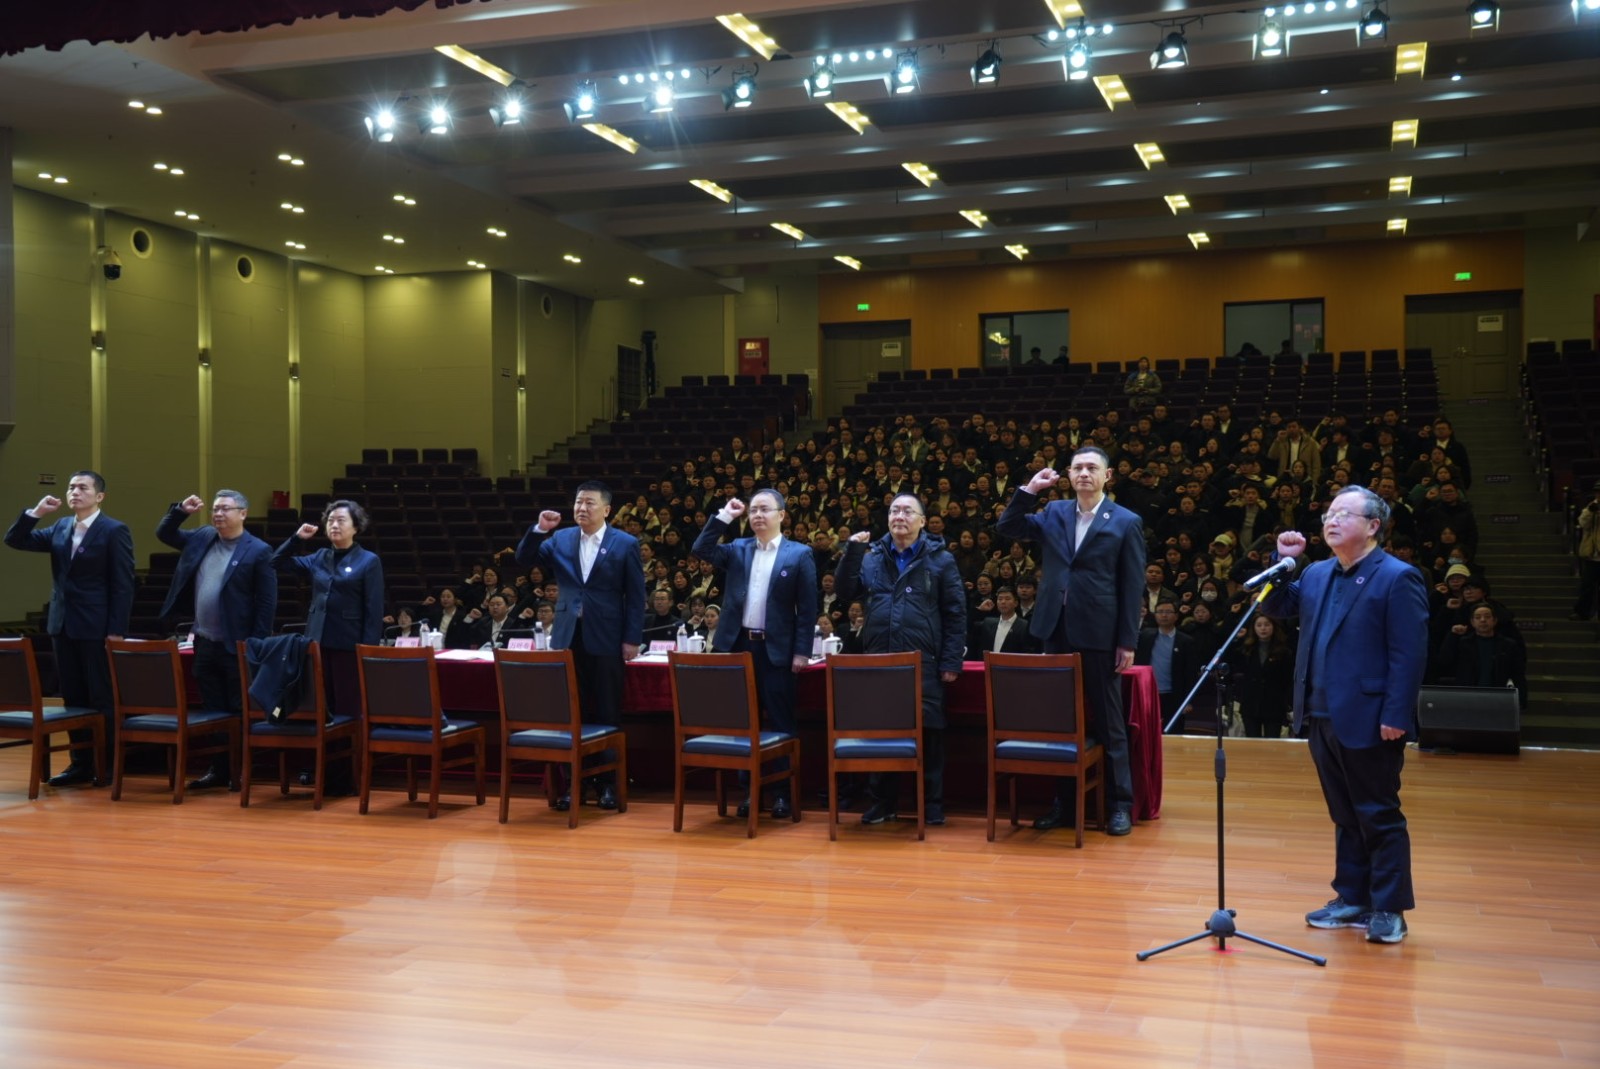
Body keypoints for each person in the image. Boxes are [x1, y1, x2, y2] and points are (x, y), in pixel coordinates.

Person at [1263, 485, 1429, 945]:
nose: (1330, 521)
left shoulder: (1398, 577)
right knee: (1344, 812)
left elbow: (1409, 654)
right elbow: (1277, 606)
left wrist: (1397, 713)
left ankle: (1389, 907)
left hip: (1372, 715)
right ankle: (1353, 896)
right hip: (1320, 712)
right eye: (1328, 515)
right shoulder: (1316, 573)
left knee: (1378, 812)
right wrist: (1284, 561)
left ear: (1373, 526)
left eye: (1343, 514)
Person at [997, 446, 1145, 836]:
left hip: (1100, 633)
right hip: (1054, 628)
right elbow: (1008, 526)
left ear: (1107, 476)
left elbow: (1132, 587)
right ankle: (1064, 804)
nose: (1083, 473)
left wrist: (1127, 641)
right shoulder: (1055, 511)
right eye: (1077, 467)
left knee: (1110, 721)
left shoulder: (1126, 521)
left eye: (1092, 467)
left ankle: (1119, 805)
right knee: (1060, 721)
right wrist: (1029, 490)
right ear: (1068, 474)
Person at [835, 493, 967, 826]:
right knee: (881, 732)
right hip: (880, 662)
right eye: (894, 510)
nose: (899, 516)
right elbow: (845, 592)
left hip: (925, 661)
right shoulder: (872, 558)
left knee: (930, 733)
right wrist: (853, 551)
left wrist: (951, 662)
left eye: (908, 511)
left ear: (922, 521)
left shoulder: (941, 560)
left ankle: (931, 804)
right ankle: (883, 802)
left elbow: (955, 613)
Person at [515, 481, 644, 812]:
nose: (582, 508)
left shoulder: (625, 543)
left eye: (589, 503)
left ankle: (608, 784)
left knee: (607, 711)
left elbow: (635, 595)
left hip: (607, 637)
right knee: (573, 713)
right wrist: (539, 530)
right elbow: (524, 558)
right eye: (578, 502)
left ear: (606, 509)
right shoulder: (560, 538)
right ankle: (576, 783)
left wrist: (631, 638)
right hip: (567, 636)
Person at [5, 471, 135, 787]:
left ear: (99, 496)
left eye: (83, 488)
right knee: (73, 697)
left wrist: (116, 629)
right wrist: (36, 513)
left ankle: (106, 766)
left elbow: (123, 584)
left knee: (101, 696)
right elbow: (15, 540)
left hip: (97, 626)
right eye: (71, 487)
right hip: (62, 624)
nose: (75, 492)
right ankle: (80, 763)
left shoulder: (114, 530)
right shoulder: (61, 526)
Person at [693, 489, 817, 820]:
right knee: (743, 723)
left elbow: (807, 609)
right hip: (738, 647)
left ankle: (782, 793)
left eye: (765, 509)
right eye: (754, 510)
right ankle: (750, 791)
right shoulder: (738, 548)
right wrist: (725, 515)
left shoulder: (799, 554)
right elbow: (701, 548)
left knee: (780, 722)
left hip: (777, 651)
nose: (758, 515)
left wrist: (802, 651)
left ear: (782, 515)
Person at [156, 490, 276, 790]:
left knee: (238, 708)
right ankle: (219, 769)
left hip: (237, 644)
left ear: (243, 513)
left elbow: (266, 602)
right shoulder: (202, 537)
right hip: (204, 641)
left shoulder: (258, 550)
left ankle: (241, 769)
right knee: (213, 709)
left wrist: (256, 644)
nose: (218, 514)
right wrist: (181, 511)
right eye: (215, 509)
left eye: (225, 509)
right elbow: (164, 533)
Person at [274, 499, 386, 727]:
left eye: (341, 520)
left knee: (348, 706)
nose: (334, 525)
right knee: (321, 705)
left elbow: (373, 609)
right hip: (317, 641)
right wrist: (297, 538)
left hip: (349, 644)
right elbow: (276, 562)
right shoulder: (319, 557)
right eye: (331, 521)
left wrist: (368, 650)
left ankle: (347, 748)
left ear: (356, 527)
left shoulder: (368, 561)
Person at [1435, 603, 1528, 709]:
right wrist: (1452, 636)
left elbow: (1518, 674)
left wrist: (1521, 700)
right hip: (1467, 698)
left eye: (1487, 617)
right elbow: (1444, 660)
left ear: (1494, 620)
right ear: (1472, 622)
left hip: (1497, 698)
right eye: (1478, 617)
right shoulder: (1463, 643)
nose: (1483, 620)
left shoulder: (1508, 645)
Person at [1135, 599, 1199, 732]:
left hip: (1174, 695)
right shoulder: (1145, 636)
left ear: (1176, 616)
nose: (1164, 615)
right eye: (1160, 612)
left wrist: (1188, 700)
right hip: (1148, 693)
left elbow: (1190, 672)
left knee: (1173, 732)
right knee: (1146, 731)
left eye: (1168, 612)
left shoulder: (1186, 641)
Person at [1229, 615, 1294, 739]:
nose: (1263, 628)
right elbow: (1234, 663)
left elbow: (1288, 679)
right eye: (1259, 625)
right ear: (1253, 628)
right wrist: (1237, 640)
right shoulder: (1246, 648)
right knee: (1252, 743)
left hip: (1274, 704)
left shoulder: (1284, 651)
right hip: (1250, 703)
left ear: (1273, 627)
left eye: (1267, 625)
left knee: (1272, 742)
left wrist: (1287, 702)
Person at [974, 585, 1041, 655]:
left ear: (1016, 603)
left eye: (1007, 599)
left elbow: (1029, 653)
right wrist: (979, 610)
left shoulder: (1025, 626)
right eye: (1000, 599)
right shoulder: (988, 623)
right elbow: (971, 632)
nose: (1003, 602)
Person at [1573, 484, 1600, 621]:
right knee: (1587, 586)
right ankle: (1582, 612)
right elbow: (1582, 523)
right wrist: (1591, 511)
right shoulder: (1591, 507)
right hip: (1592, 555)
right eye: (1597, 493)